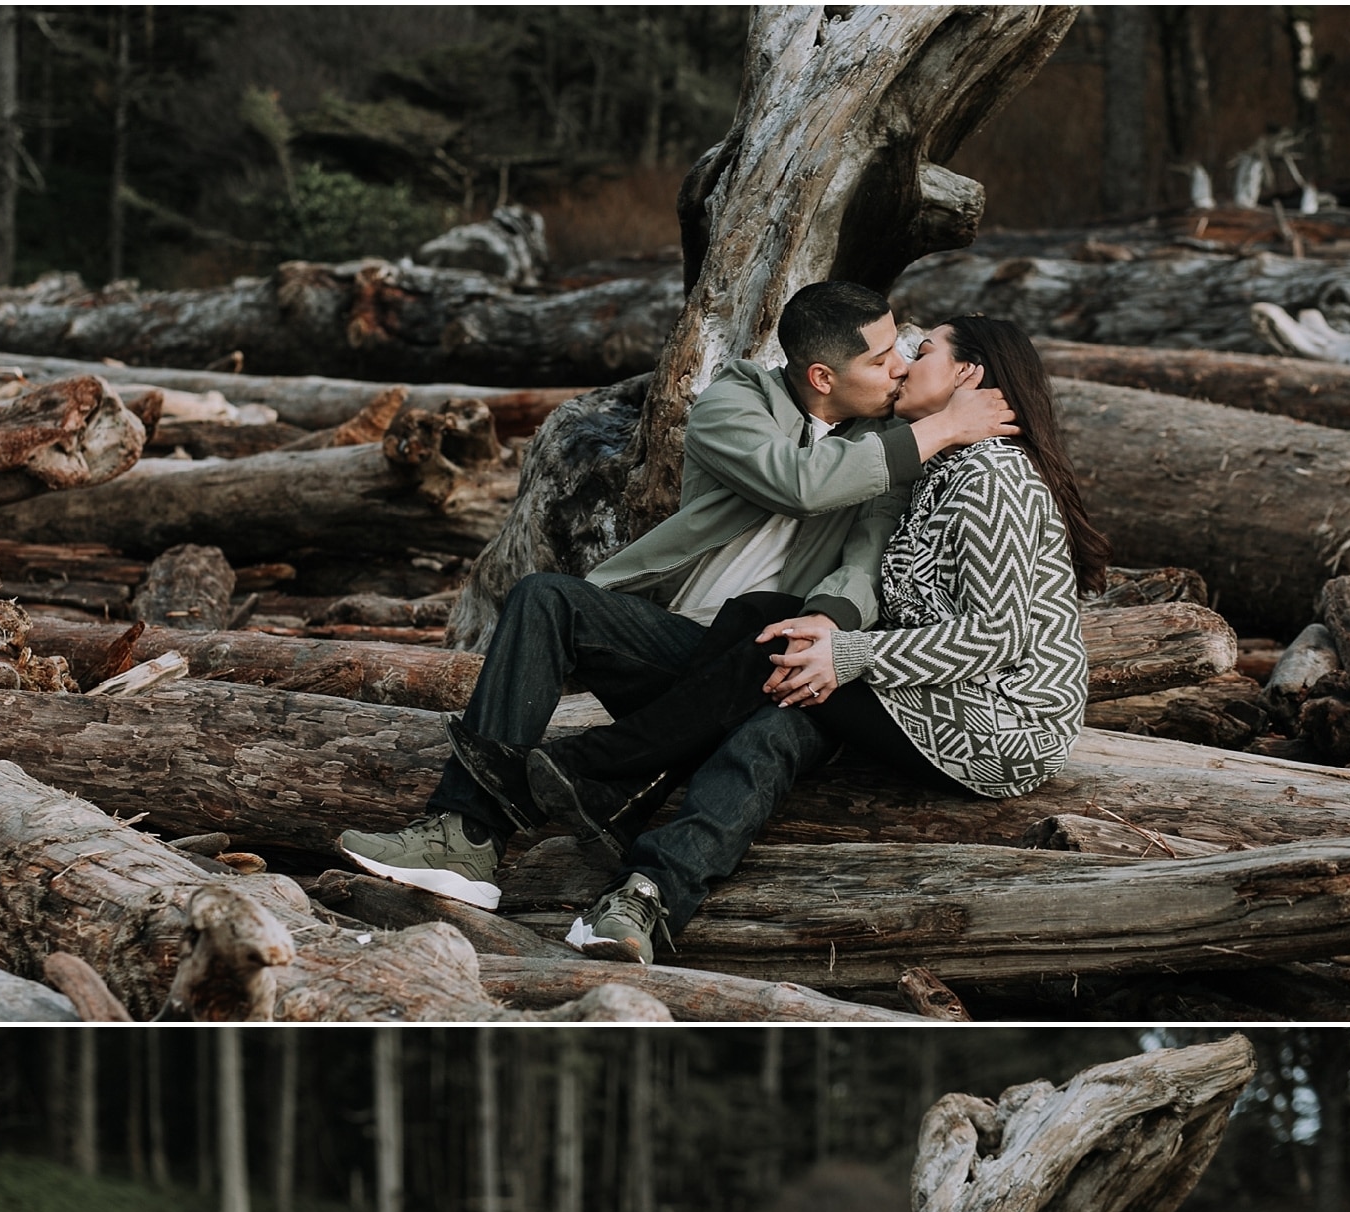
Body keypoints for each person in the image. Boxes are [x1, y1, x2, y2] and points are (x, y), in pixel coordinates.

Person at [333, 281, 1016, 925]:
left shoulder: (880, 444)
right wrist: (940, 428)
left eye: (900, 350)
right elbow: (800, 483)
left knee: (767, 619)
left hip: (765, 666)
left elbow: (866, 558)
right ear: (820, 377)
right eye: (880, 358)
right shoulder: (735, 404)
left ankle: (600, 810)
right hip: (679, 644)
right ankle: (462, 836)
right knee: (545, 597)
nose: (898, 367)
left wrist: (830, 624)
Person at [501, 315, 1107, 960]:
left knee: (780, 657)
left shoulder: (995, 479)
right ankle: (646, 896)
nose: (903, 361)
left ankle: (603, 769)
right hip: (925, 688)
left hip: (999, 721)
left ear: (968, 373)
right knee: (772, 652)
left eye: (922, 350)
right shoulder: (941, 467)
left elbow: (1000, 638)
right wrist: (831, 644)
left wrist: (845, 655)